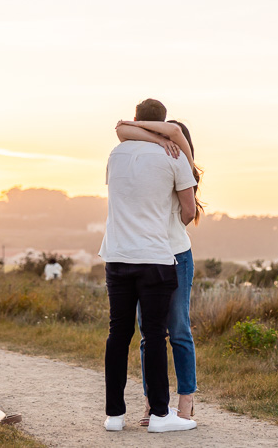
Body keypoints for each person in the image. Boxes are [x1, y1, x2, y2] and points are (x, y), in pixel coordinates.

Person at [99, 98, 198, 433]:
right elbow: (189, 211)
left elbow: (120, 129)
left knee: (123, 333)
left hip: (122, 254)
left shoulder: (117, 155)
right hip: (156, 256)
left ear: (139, 119)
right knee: (154, 334)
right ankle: (158, 412)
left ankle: (115, 415)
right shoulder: (171, 154)